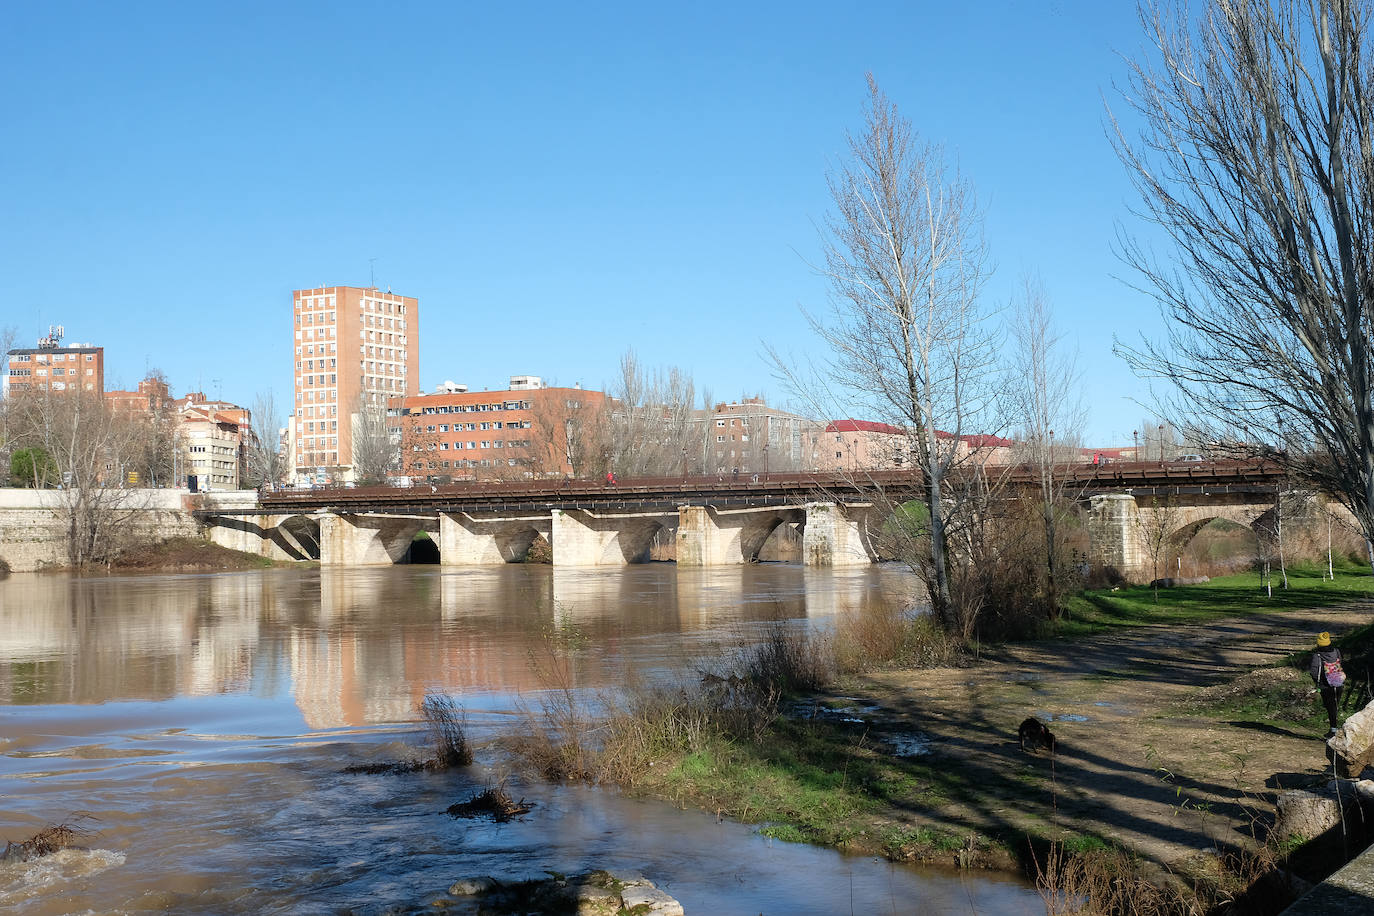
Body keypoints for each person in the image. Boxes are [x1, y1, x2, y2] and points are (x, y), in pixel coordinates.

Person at [1310, 631, 1347, 736]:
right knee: (1334, 706)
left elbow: (1313, 671)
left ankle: (1334, 730)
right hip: (1339, 683)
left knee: (1330, 706)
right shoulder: (1336, 651)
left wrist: (1317, 682)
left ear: (1318, 643)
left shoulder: (1317, 655)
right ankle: (1333, 729)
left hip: (1325, 685)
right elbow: (1341, 663)